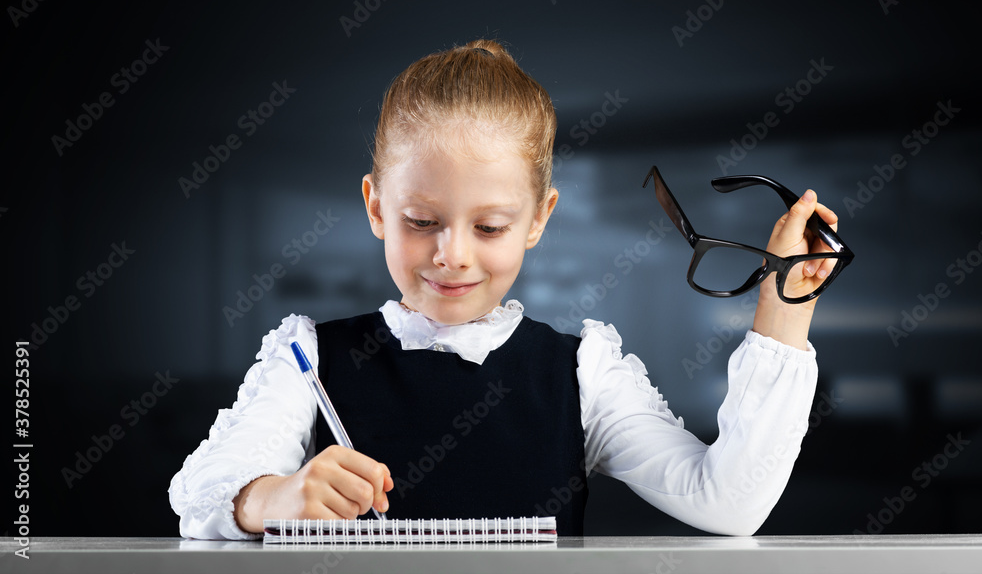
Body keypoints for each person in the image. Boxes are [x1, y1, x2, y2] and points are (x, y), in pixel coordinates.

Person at [168, 39, 838, 540]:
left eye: (489, 225)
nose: (451, 254)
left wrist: (784, 303)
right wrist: (271, 498)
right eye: (420, 221)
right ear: (375, 207)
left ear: (538, 219)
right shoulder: (307, 360)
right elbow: (198, 494)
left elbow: (728, 501)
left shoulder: (584, 373)